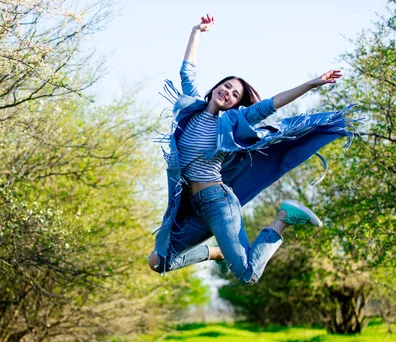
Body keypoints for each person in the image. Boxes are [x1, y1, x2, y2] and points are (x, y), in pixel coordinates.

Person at [148, 14, 357, 284]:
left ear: (235, 105)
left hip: (218, 203)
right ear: (215, 88)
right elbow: (187, 70)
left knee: (248, 274)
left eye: (235, 95)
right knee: (158, 261)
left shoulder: (233, 121)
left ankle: (283, 218)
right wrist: (196, 32)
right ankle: (216, 253)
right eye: (227, 86)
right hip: (193, 207)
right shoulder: (189, 109)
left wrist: (311, 83)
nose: (229, 93)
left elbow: (272, 103)